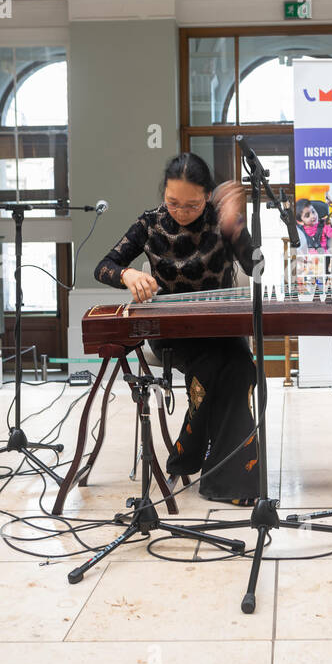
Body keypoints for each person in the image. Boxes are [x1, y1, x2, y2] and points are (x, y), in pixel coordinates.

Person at [94, 153, 260, 504]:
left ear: (208, 196)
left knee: (243, 368)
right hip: (173, 334)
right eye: (173, 202)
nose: (181, 212)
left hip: (222, 329)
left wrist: (236, 229)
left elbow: (258, 268)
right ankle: (200, 460)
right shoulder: (151, 223)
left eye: (192, 204)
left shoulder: (222, 221)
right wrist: (128, 274)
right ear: (164, 194)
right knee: (212, 367)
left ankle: (212, 467)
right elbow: (104, 266)